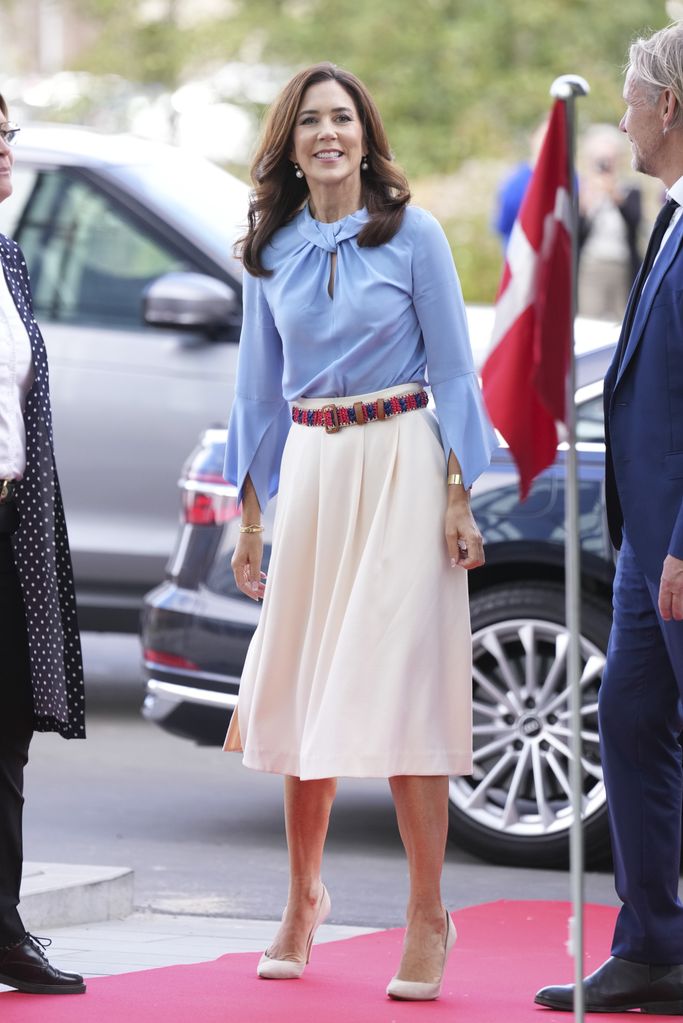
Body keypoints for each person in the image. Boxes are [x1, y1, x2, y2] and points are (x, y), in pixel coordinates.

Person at [223, 62, 497, 1001]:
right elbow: (256, 390)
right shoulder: (267, 247)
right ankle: (303, 898)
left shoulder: (413, 234)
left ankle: (428, 912)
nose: (327, 134)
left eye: (341, 118)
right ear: (290, 145)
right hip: (311, 470)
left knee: (409, 686)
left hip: (402, 467)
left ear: (365, 134)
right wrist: (249, 517)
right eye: (310, 122)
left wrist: (460, 494)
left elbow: (457, 373)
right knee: (303, 691)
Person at [535, 21, 683, 1015]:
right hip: (645, 539)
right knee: (626, 721)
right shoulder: (665, 213)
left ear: (667, 106)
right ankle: (651, 947)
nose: (622, 117)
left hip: (676, 540)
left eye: (632, 99)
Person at [0, 95, 86, 995]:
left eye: (6, 133)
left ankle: (3, 929)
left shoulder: (9, 261)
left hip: (10, 518)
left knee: (8, 725)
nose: (3, 150)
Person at [577, 124, 642, 321]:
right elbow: (576, 232)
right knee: (590, 319)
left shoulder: (629, 190)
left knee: (623, 320)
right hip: (592, 265)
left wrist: (615, 195)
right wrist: (586, 204)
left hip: (622, 265)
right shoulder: (582, 190)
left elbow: (635, 224)